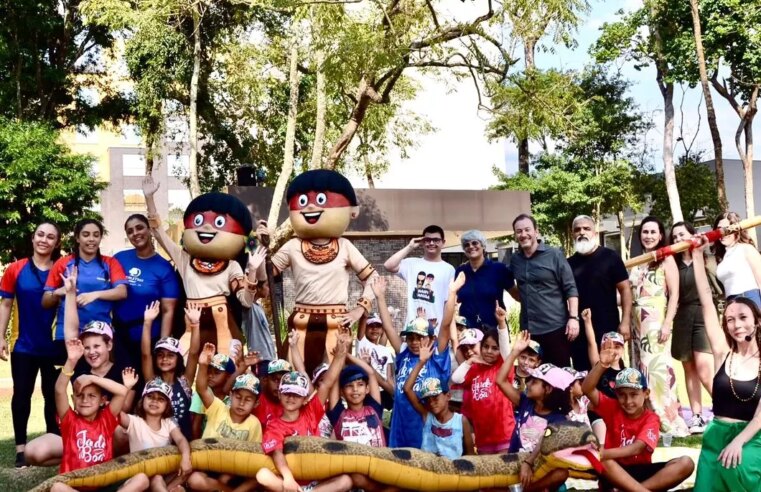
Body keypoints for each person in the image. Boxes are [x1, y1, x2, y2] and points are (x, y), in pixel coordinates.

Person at [26, 267, 134, 467]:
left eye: (97, 346)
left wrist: (93, 379)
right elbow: (71, 331)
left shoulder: (122, 366)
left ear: (109, 345)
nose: (91, 351)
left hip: (107, 436)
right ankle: (79, 459)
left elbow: (123, 408)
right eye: (87, 347)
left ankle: (106, 464)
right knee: (33, 451)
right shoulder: (81, 362)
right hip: (80, 434)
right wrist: (69, 293)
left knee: (122, 432)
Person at [693, 238, 761, 491]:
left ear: (756, 321)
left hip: (753, 437)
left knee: (735, 468)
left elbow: (760, 417)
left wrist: (739, 442)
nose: (736, 324)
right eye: (730, 319)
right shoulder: (723, 353)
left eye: (743, 317)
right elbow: (706, 301)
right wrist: (697, 255)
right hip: (716, 435)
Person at [257, 333, 353, 492]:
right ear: (280, 394)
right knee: (262, 475)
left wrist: (341, 353)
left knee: (346, 481)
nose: (291, 398)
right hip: (290, 483)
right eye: (287, 393)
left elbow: (327, 384)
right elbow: (277, 453)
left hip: (316, 480)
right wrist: (288, 478)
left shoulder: (311, 411)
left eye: (296, 395)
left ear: (304, 398)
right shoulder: (274, 424)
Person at [0, 222, 61, 468]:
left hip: (54, 346)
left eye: (50, 237)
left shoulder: (62, 268)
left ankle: (52, 442)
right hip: (23, 345)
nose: (44, 240)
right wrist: (0, 336)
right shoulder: (16, 269)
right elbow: (5, 305)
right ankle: (21, 450)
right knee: (21, 395)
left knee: (53, 395)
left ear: (57, 242)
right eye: (40, 234)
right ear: (33, 237)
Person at [583, 357, 694, 492]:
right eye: (622, 395)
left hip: (641, 470)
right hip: (615, 471)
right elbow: (587, 389)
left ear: (646, 393)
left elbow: (636, 448)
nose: (628, 401)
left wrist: (604, 453)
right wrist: (602, 364)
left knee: (686, 463)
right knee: (603, 461)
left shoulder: (651, 418)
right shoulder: (612, 407)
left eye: (634, 394)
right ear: (616, 394)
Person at [50, 339, 143, 492]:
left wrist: (92, 378)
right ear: (73, 399)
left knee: (141, 479)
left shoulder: (106, 419)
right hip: (75, 486)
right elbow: (59, 390)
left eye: (92, 396)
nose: (85, 400)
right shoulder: (69, 420)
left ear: (103, 401)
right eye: (80, 395)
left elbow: (122, 392)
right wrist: (71, 360)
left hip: (104, 483)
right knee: (57, 488)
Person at [380, 274, 457, 448]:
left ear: (431, 338)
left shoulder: (436, 355)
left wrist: (451, 293)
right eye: (411, 338)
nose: (414, 342)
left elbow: (445, 325)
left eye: (419, 337)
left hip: (421, 424)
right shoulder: (405, 354)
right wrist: (380, 297)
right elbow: (388, 327)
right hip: (400, 423)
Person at [629, 216, 689, 436]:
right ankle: (647, 418)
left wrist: (667, 323)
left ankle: (667, 418)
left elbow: (674, 294)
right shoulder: (636, 261)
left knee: (658, 370)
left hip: (655, 322)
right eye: (645, 232)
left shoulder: (666, 259)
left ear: (661, 235)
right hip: (636, 325)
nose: (649, 236)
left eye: (653, 232)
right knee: (640, 370)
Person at [496, 334, 572, 492]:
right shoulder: (525, 402)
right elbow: (500, 380)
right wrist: (514, 352)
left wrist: (529, 463)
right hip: (515, 464)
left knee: (561, 473)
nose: (528, 383)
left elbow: (544, 443)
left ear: (548, 389)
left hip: (539, 469)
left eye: (534, 381)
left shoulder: (558, 419)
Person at [187, 343, 262, 492]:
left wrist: (230, 472)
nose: (241, 403)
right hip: (210, 465)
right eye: (238, 396)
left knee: (259, 476)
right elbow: (202, 388)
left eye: (248, 400)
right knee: (195, 480)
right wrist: (202, 365)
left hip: (235, 471)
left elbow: (254, 457)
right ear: (231, 395)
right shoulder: (218, 407)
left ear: (256, 403)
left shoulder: (254, 423)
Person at [509, 214, 579, 367]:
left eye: (527, 230)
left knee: (559, 377)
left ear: (536, 231)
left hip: (555, 327)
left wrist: (573, 318)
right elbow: (511, 285)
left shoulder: (554, 255)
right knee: (533, 378)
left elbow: (570, 288)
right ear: (515, 235)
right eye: (519, 231)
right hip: (529, 331)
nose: (523, 234)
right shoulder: (515, 260)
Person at [114, 214, 180, 372]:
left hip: (149, 337)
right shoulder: (119, 259)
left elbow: (168, 310)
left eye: (139, 227)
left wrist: (162, 346)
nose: (135, 233)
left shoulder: (164, 268)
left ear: (150, 230)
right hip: (120, 337)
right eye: (130, 231)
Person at [43, 219, 128, 342]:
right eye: (86, 234)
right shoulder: (63, 263)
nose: (91, 239)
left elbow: (122, 292)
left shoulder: (110, 263)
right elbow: (45, 301)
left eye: (96, 235)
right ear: (77, 238)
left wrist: (95, 295)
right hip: (66, 335)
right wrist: (58, 292)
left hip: (100, 335)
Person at [567, 215, 631, 370]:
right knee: (584, 374)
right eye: (577, 229)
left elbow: (625, 289)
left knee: (612, 372)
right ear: (573, 235)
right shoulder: (568, 264)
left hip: (608, 327)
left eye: (586, 228)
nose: (582, 232)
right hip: (579, 331)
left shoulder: (610, 257)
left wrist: (626, 321)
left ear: (594, 233)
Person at [450, 302, 515, 454]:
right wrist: (470, 361)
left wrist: (501, 323)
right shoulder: (474, 370)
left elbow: (506, 348)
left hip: (504, 435)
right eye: (486, 346)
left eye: (494, 348)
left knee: (503, 475)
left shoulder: (503, 366)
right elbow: (456, 378)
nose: (489, 351)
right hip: (483, 437)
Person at [670, 221, 714, 434]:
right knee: (688, 368)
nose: (678, 240)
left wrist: (701, 249)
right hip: (682, 316)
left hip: (703, 313)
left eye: (682, 235)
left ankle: (733, 408)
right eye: (675, 236)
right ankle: (696, 416)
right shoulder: (672, 264)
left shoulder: (705, 259)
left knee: (705, 369)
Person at [119, 378, 192, 492]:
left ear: (167, 405)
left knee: (160, 478)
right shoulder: (134, 421)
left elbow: (181, 440)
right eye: (150, 397)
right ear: (142, 399)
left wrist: (186, 458)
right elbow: (114, 412)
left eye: (161, 399)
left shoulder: (168, 423)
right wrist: (126, 388)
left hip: (160, 476)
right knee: (145, 479)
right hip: (137, 476)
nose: (154, 401)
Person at [403, 341, 475, 458]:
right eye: (427, 399)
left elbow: (470, 454)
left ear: (448, 396)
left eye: (435, 397)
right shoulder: (427, 416)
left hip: (451, 473)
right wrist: (421, 362)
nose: (431, 402)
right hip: (428, 472)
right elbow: (407, 389)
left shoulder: (461, 421)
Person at [141, 301, 201, 439]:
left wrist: (195, 324)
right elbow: (145, 355)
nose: (164, 359)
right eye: (160, 355)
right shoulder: (152, 381)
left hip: (183, 441)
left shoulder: (185, 381)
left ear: (178, 358)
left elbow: (193, 353)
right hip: (158, 443)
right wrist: (147, 322)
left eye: (170, 355)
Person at [384, 225, 455, 332]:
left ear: (443, 242)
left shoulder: (449, 269)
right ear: (422, 242)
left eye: (435, 240)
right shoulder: (411, 263)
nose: (431, 243)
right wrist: (410, 247)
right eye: (427, 240)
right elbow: (388, 265)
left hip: (436, 331)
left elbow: (448, 303)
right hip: (412, 330)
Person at [581, 308, 627, 444]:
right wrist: (588, 322)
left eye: (618, 347)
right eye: (608, 347)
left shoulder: (627, 372)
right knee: (601, 431)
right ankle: (600, 456)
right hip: (599, 412)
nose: (613, 350)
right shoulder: (599, 365)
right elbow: (591, 343)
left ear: (623, 350)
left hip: (620, 413)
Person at [454, 229, 515, 331]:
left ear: (483, 246)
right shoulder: (460, 271)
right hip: (467, 332)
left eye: (474, 243)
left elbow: (516, 294)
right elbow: (455, 299)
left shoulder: (499, 269)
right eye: (466, 245)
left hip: (494, 330)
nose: (471, 246)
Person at [714, 211, 761, 309]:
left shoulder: (746, 248)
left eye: (727, 229)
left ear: (736, 229)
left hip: (750, 299)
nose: (722, 233)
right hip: (731, 303)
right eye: (719, 229)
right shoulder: (722, 257)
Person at [355, 306, 395, 410]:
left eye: (378, 326)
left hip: (385, 390)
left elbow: (389, 376)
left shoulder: (385, 350)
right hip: (369, 389)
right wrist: (365, 306)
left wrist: (393, 391)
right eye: (371, 326)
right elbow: (363, 319)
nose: (374, 329)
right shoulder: (362, 342)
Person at [189, 351, 234, 439]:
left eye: (217, 372)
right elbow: (196, 425)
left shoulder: (234, 397)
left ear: (228, 376)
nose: (210, 375)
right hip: (204, 442)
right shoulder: (200, 394)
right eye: (209, 371)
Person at [242, 280, 276, 361]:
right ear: (258, 288)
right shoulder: (249, 308)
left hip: (269, 357)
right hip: (259, 358)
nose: (269, 289)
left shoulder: (259, 307)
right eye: (267, 285)